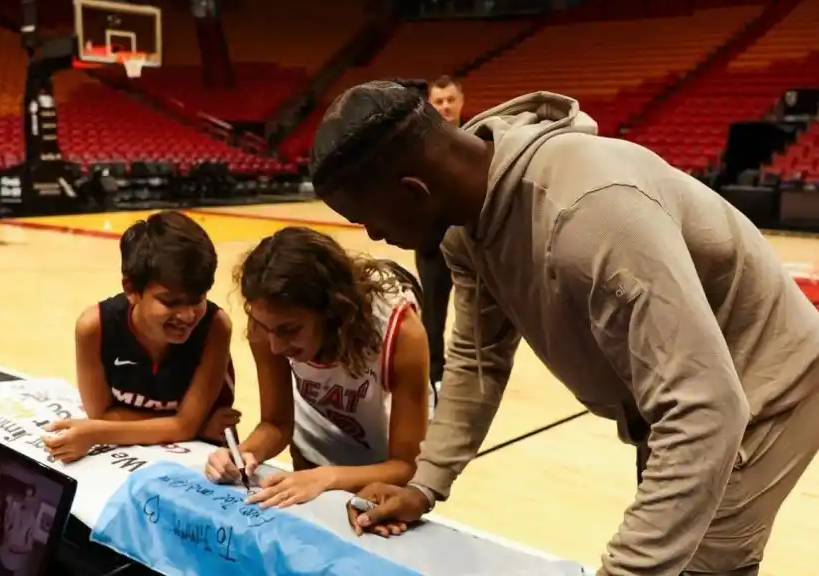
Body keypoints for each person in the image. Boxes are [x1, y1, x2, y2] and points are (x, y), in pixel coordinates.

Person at [307, 80, 819, 575]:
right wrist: (424, 484)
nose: (372, 234)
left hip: (761, 386)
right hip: (681, 394)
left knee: (697, 564)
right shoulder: (464, 229)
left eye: (366, 216)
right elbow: (478, 362)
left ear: (413, 190)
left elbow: (706, 411)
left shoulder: (591, 215)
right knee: (668, 544)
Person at [204, 226, 431, 509]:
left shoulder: (401, 332)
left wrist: (328, 477)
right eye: (265, 328)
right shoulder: (268, 322)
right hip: (312, 454)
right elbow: (275, 424)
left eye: (289, 330)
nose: (275, 347)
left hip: (382, 467)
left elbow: (406, 466)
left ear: (332, 310)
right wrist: (242, 454)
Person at [44, 210, 238, 462]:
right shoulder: (94, 327)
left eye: (198, 299)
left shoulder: (215, 326)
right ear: (131, 289)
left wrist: (100, 431)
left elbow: (105, 424)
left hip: (207, 460)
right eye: (170, 302)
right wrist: (195, 425)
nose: (188, 315)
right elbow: (100, 416)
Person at [416, 75, 464, 395]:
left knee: (476, 315)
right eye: (439, 101)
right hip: (433, 245)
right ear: (430, 105)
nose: (445, 106)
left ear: (461, 102)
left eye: (450, 100)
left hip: (472, 246)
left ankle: (471, 371)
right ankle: (434, 375)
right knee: (433, 315)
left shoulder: (477, 140)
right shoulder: (419, 145)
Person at [0, 485, 38, 576]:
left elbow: (29, 547)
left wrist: (16, 549)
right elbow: (7, 525)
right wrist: (7, 533)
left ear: (33, 499)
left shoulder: (32, 521)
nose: (26, 499)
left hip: (13, 562)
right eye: (26, 496)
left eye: (29, 497)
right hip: (3, 554)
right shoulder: (16, 509)